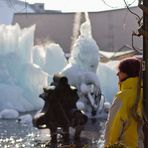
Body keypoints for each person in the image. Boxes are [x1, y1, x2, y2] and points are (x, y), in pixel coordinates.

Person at [104, 57, 144, 148]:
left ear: (128, 73)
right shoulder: (144, 93)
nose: (117, 74)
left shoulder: (123, 97)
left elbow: (113, 127)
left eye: (120, 71)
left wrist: (108, 146)